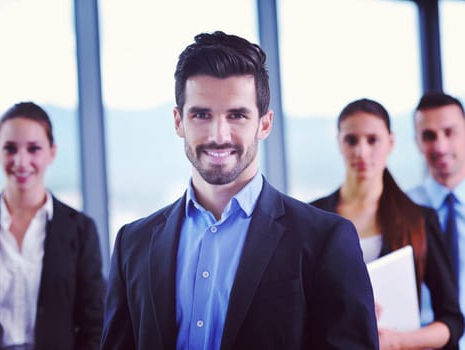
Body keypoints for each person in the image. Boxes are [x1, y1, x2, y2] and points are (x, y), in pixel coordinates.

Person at [101, 31, 378, 349]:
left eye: (237, 115)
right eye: (202, 115)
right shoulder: (132, 243)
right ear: (179, 121)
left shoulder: (325, 239)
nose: (219, 135)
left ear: (264, 123)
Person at [0, 102, 106, 349]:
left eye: (33, 149)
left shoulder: (80, 230)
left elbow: (94, 322)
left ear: (52, 152)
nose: (21, 161)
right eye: (10, 148)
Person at [311, 98, 463, 349]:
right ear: (339, 142)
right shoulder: (312, 217)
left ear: (390, 142)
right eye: (351, 140)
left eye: (373, 140)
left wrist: (399, 342)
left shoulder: (418, 219)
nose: (362, 151)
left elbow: (452, 321)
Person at [407, 91, 465, 349]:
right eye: (429, 136)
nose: (440, 147)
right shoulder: (403, 211)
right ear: (417, 142)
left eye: (449, 132)